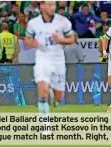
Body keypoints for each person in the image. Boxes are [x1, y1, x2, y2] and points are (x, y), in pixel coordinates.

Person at [25, 1, 74, 132]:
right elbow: (28, 38)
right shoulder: (33, 23)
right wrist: (32, 43)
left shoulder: (63, 21)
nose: (53, 7)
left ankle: (53, 92)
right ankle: (46, 125)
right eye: (50, 4)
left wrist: (60, 40)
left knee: (59, 98)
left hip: (58, 59)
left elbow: (72, 39)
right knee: (42, 92)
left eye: (54, 4)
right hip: (42, 58)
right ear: (42, 6)